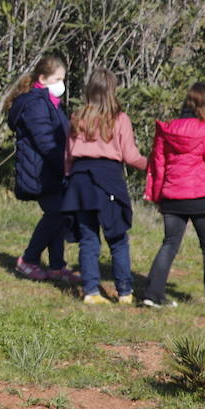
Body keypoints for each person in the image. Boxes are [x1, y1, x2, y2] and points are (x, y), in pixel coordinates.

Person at [59, 67, 148, 305]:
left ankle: (91, 292)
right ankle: (125, 291)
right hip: (107, 179)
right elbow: (130, 156)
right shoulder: (119, 119)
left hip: (79, 180)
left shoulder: (78, 117)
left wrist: (69, 179)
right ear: (113, 90)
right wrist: (152, 165)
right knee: (117, 237)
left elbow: (67, 156)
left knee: (88, 239)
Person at [141, 83, 205, 309]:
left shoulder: (168, 129)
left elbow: (158, 164)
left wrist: (157, 196)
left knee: (170, 243)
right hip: (199, 197)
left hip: (172, 196)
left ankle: (152, 294)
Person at [7, 54, 79, 283]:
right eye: (57, 78)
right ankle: (28, 259)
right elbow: (46, 141)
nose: (61, 84)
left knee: (59, 214)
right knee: (56, 213)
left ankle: (57, 265)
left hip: (51, 170)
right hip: (39, 171)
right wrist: (66, 163)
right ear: (43, 78)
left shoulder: (49, 102)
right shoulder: (36, 104)